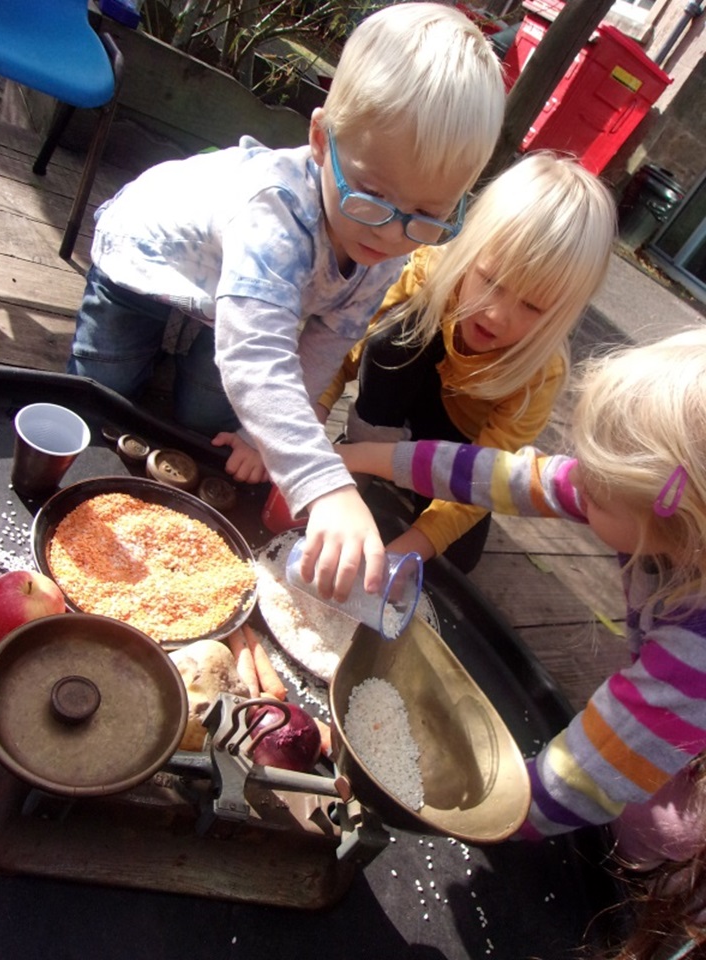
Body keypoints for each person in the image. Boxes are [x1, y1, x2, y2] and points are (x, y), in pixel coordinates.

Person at [65, 2, 505, 603]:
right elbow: (253, 354)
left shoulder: (389, 244)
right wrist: (321, 481)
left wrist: (257, 434)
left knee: (211, 420)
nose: (389, 233)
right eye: (372, 194)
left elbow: (325, 340)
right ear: (322, 140)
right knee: (106, 383)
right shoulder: (276, 211)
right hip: (150, 258)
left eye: (428, 215)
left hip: (235, 299)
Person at [338, 330, 706, 954]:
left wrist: (491, 809)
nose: (577, 482)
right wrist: (374, 459)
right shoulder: (648, 507)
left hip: (681, 755)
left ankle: (658, 900)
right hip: (676, 695)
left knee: (659, 834)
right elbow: (512, 476)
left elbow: (586, 777)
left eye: (596, 486)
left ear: (671, 517)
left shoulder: (692, 654)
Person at [317, 150, 617, 572]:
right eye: (491, 281)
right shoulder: (429, 272)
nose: (497, 315)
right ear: (470, 250)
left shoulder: (540, 373)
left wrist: (408, 548)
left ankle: (394, 478)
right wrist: (311, 415)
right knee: (394, 340)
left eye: (532, 306)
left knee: (457, 558)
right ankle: (365, 457)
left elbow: (487, 475)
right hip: (396, 400)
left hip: (461, 448)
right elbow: (344, 350)